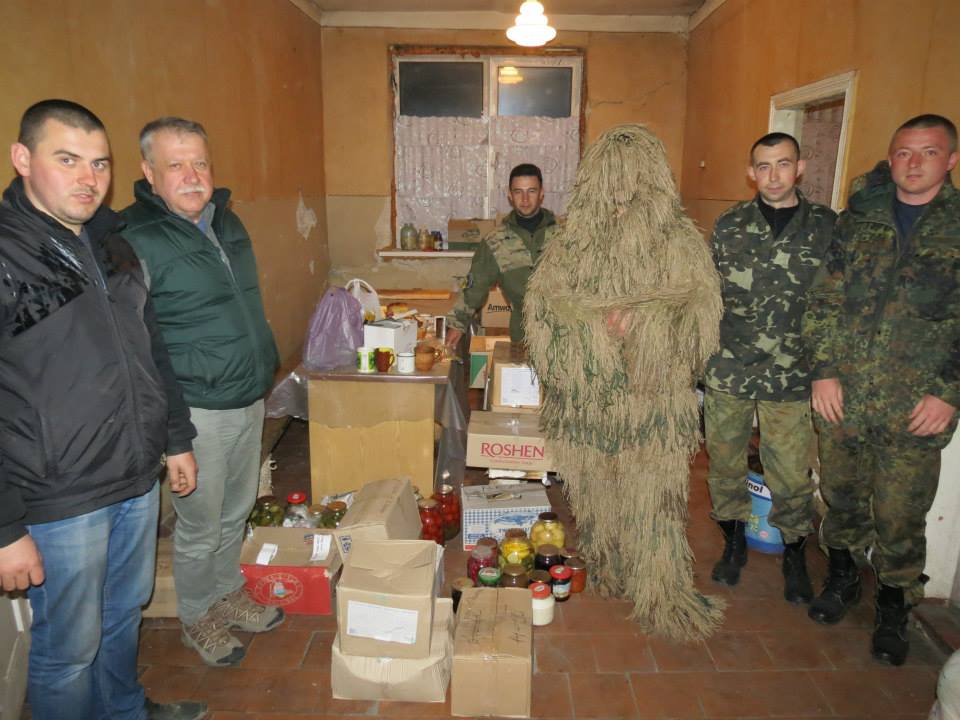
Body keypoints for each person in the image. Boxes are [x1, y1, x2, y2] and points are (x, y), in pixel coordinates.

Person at [0, 100, 206, 719]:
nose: (88, 178)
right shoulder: (9, 254)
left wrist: (176, 437)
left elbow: (151, 348)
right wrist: (5, 528)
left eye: (99, 163)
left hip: (134, 477)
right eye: (67, 160)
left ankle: (124, 710)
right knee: (68, 648)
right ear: (22, 159)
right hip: (59, 494)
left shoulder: (114, 245)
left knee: (122, 615)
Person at [120, 117, 281, 667]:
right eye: (175, 165)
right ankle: (196, 616)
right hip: (196, 409)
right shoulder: (133, 238)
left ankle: (227, 591)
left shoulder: (227, 222)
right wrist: (172, 433)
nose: (192, 176)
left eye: (200, 163)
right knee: (199, 524)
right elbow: (136, 342)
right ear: (148, 172)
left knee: (236, 511)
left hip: (248, 394)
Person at [803, 114, 960, 665]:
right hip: (843, 396)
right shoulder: (858, 221)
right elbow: (824, 298)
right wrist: (823, 369)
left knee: (900, 514)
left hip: (915, 405)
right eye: (904, 153)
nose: (914, 163)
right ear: (890, 159)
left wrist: (950, 392)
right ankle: (843, 578)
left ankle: (894, 605)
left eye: (928, 152)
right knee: (841, 497)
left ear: (951, 160)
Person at [704, 132, 836, 603]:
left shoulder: (826, 226)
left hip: (792, 371)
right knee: (725, 462)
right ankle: (734, 540)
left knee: (791, 473)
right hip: (731, 367)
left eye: (783, 164)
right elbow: (706, 293)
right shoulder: (730, 225)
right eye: (764, 166)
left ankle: (794, 553)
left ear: (800, 168)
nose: (773, 175)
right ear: (751, 172)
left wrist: (827, 368)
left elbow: (835, 302)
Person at [445, 163, 559, 349]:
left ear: (541, 193)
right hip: (525, 339)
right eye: (518, 192)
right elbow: (475, 285)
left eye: (531, 191)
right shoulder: (496, 242)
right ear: (509, 195)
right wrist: (457, 324)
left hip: (567, 337)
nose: (525, 199)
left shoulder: (565, 234)